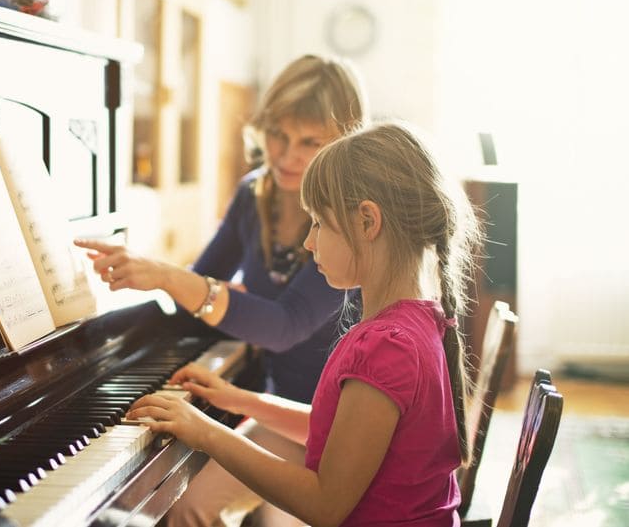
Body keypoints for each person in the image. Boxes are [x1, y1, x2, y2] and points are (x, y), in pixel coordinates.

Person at [126, 121, 481, 527]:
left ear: (368, 222)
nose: (309, 242)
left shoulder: (386, 345)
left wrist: (205, 432)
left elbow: (324, 506)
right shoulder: (417, 320)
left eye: (318, 223)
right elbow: (338, 434)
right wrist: (242, 400)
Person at [75, 54, 367, 526]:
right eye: (278, 134)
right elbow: (201, 285)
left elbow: (283, 327)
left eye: (310, 142)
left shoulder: (346, 222)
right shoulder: (255, 194)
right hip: (283, 411)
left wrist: (170, 276)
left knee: (204, 505)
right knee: (187, 502)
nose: (287, 155)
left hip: (335, 428)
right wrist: (105, 337)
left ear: (344, 142)